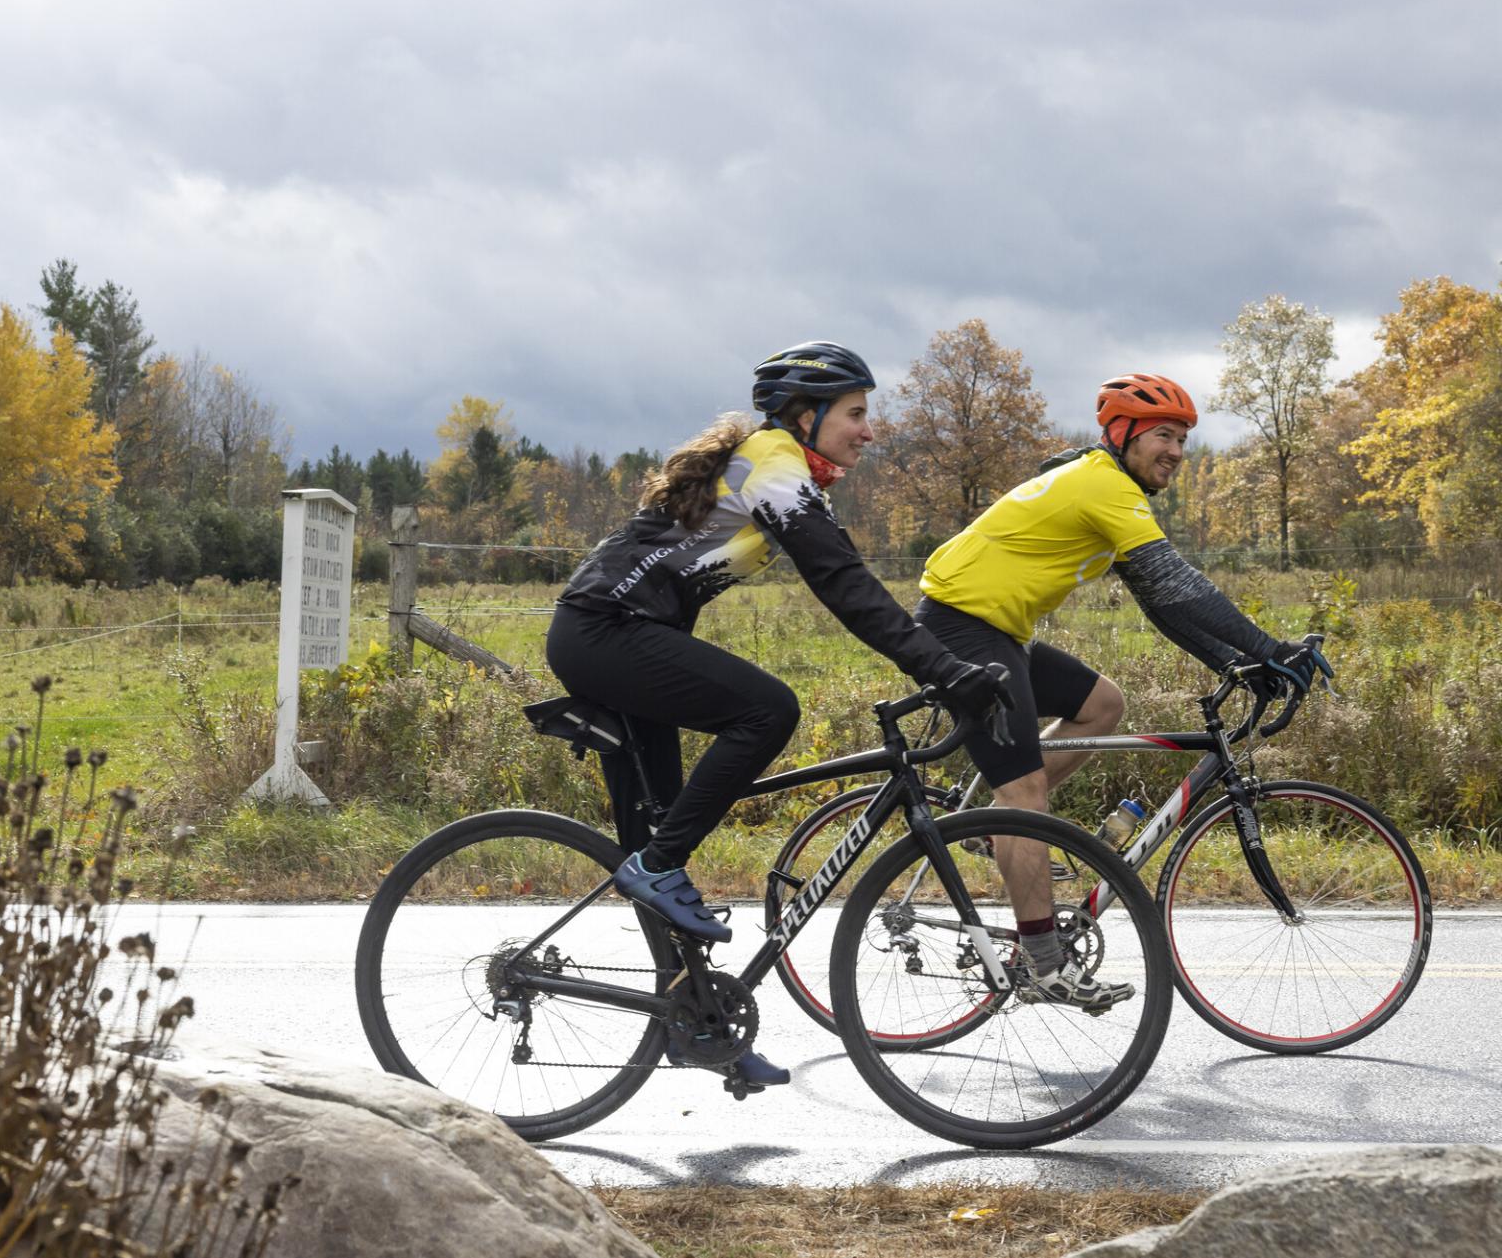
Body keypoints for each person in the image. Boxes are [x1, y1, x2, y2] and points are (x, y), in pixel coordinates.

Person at [547, 341, 1011, 1088]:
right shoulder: (774, 462)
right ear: (808, 414)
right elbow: (845, 585)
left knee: (659, 830)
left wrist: (939, 665)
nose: (868, 430)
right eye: (857, 414)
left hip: (615, 638)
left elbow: (840, 579)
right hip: (604, 635)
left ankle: (699, 1024)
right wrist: (946, 669)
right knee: (767, 710)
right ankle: (658, 869)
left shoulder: (776, 469)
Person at [915, 372, 1333, 1010]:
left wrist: (1235, 664)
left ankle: (999, 830)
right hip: (963, 630)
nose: (1176, 451)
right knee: (1025, 795)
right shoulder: (1103, 484)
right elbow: (1176, 581)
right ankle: (1043, 962)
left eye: (1184, 439)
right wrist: (1269, 650)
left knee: (1102, 705)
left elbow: (1159, 603)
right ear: (1123, 434)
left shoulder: (1110, 487)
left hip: (997, 631)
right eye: (1164, 434)